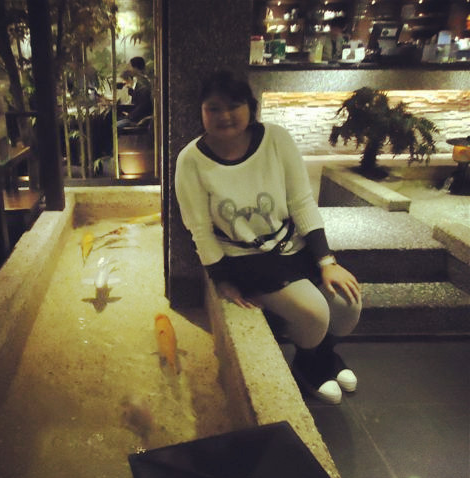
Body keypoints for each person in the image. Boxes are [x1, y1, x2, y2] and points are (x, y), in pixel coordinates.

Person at [175, 70, 362, 404]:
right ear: (201, 112)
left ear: (250, 107)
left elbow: (301, 202)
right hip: (245, 260)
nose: (224, 115)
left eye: (234, 105)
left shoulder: (276, 139)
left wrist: (326, 261)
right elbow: (199, 229)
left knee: (347, 303)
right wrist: (221, 280)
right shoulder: (191, 160)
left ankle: (323, 355)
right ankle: (309, 366)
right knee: (315, 313)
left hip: (291, 245)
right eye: (213, 108)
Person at [117, 57, 152, 129]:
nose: (128, 69)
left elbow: (143, 106)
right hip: (137, 116)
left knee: (114, 126)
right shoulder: (141, 80)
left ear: (135, 68)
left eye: (130, 66)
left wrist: (129, 117)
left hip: (140, 120)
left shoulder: (143, 83)